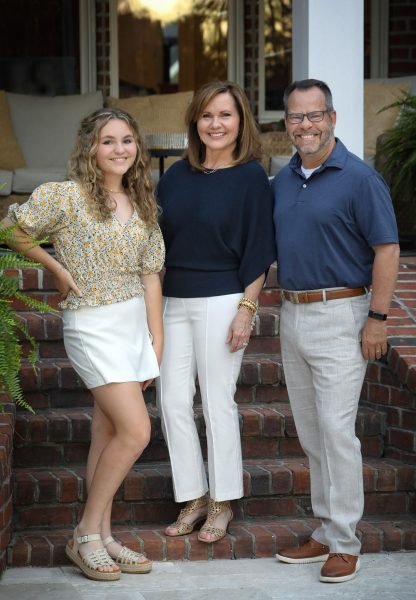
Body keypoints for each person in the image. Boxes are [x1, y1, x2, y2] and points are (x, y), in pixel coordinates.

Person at [2, 107, 165, 581]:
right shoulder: (66, 197)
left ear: (138, 148)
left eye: (128, 140)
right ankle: (85, 535)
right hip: (91, 326)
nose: (120, 149)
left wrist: (156, 342)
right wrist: (56, 268)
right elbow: (11, 229)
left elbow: (151, 277)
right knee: (136, 432)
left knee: (108, 433)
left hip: (133, 325)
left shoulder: (143, 204)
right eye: (109, 140)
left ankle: (106, 536)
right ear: (91, 148)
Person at [272, 79, 400, 583]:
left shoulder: (360, 179)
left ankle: (346, 540)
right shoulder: (281, 181)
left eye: (315, 115)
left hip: (344, 315)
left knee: (336, 431)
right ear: (287, 124)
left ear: (332, 118)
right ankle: (325, 531)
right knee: (311, 433)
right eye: (297, 117)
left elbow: (386, 250)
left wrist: (378, 318)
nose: (306, 125)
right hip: (293, 314)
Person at [156, 81, 276, 543]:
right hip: (173, 300)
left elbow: (259, 249)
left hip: (223, 297)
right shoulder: (175, 177)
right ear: (195, 123)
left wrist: (247, 308)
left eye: (225, 115)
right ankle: (193, 496)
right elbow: (156, 246)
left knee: (217, 401)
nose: (215, 124)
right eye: (207, 116)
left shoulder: (250, 177)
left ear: (241, 121)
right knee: (170, 401)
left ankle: (224, 500)